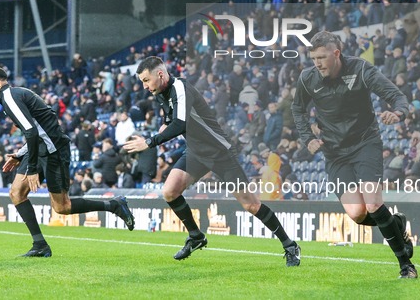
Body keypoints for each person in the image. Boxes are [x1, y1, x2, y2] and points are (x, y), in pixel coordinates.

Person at [123, 57, 301, 267]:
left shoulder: (180, 87)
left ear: (160, 75)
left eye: (146, 80)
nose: (144, 86)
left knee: (251, 205)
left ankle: (290, 245)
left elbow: (181, 122)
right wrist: (163, 126)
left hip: (220, 153)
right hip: (196, 153)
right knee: (170, 191)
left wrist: (151, 142)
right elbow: (172, 119)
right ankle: (196, 236)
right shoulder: (160, 93)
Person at [291, 32, 416, 279]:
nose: (317, 63)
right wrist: (308, 138)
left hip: (365, 143)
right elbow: (297, 109)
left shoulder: (360, 69)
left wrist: (398, 113)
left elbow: (396, 96)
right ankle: (396, 224)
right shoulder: (308, 78)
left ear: (336, 53)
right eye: (313, 58)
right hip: (335, 153)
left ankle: (406, 265)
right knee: (358, 214)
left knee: (373, 203)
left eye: (322, 57)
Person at [0, 67, 135, 258]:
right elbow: (37, 129)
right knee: (16, 192)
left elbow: (32, 132)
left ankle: (114, 205)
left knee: (62, 207)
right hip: (42, 146)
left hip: (54, 151)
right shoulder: (13, 96)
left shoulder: (10, 96)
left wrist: (32, 168)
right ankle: (40, 245)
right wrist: (21, 154)